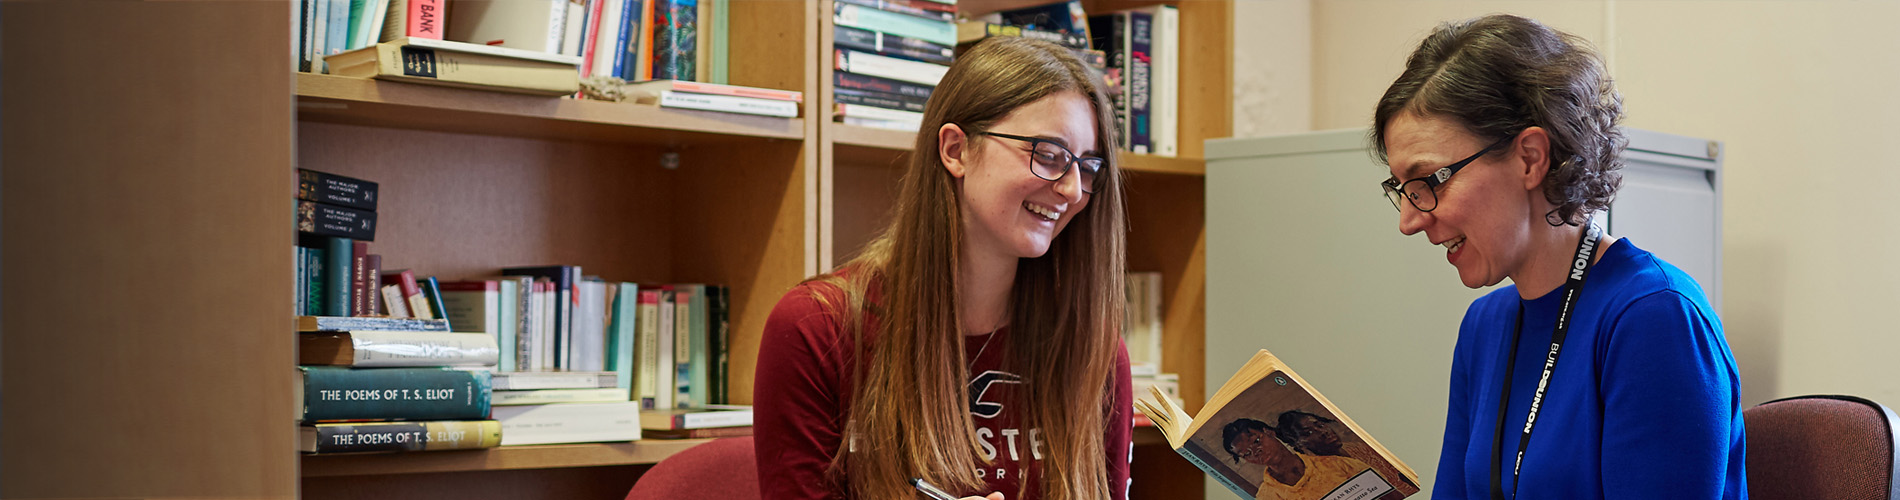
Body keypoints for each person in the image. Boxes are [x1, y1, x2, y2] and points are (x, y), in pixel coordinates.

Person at [1370, 14, 1746, 500]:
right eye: (1400, 190)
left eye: (1429, 182)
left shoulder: (1656, 317)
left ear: (1530, 157)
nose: (1410, 219)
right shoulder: (1484, 327)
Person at [753, 36, 1133, 500]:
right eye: (1048, 155)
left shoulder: (1092, 347)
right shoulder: (815, 330)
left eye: (1087, 166)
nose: (1073, 190)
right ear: (956, 150)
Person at [1221, 418, 1374, 500]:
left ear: (1269, 432)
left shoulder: (1334, 464)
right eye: (1246, 454)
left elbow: (1389, 493)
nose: (1256, 452)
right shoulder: (1267, 496)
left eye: (1256, 441)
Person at [1276, 410, 1407, 500]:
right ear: (1298, 445)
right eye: (1309, 433)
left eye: (1319, 425)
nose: (1323, 432)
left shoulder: (1358, 448)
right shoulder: (1323, 474)